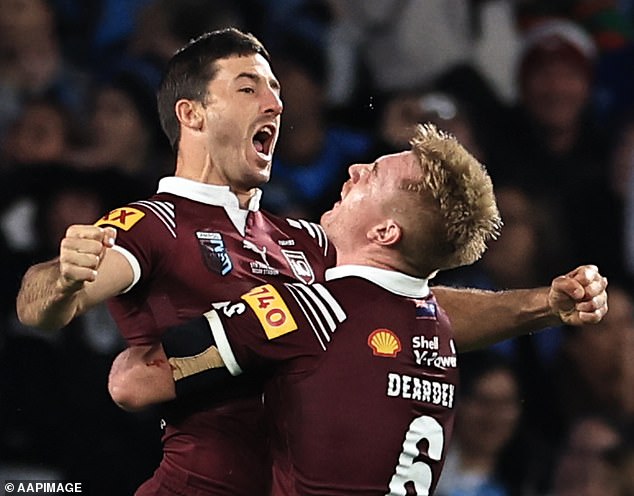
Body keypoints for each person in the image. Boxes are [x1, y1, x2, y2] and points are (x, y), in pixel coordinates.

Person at [16, 27, 608, 495]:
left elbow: (408, 305)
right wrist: (65, 277)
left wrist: (544, 304)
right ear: (192, 115)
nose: (275, 102)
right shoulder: (155, 224)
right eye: (248, 87)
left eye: (275, 89)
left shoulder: (303, 240)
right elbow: (44, 310)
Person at [109, 124, 606, 495]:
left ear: (386, 233)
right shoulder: (432, 329)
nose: (353, 169)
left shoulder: (311, 309)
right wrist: (546, 304)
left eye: (372, 175)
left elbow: (133, 383)